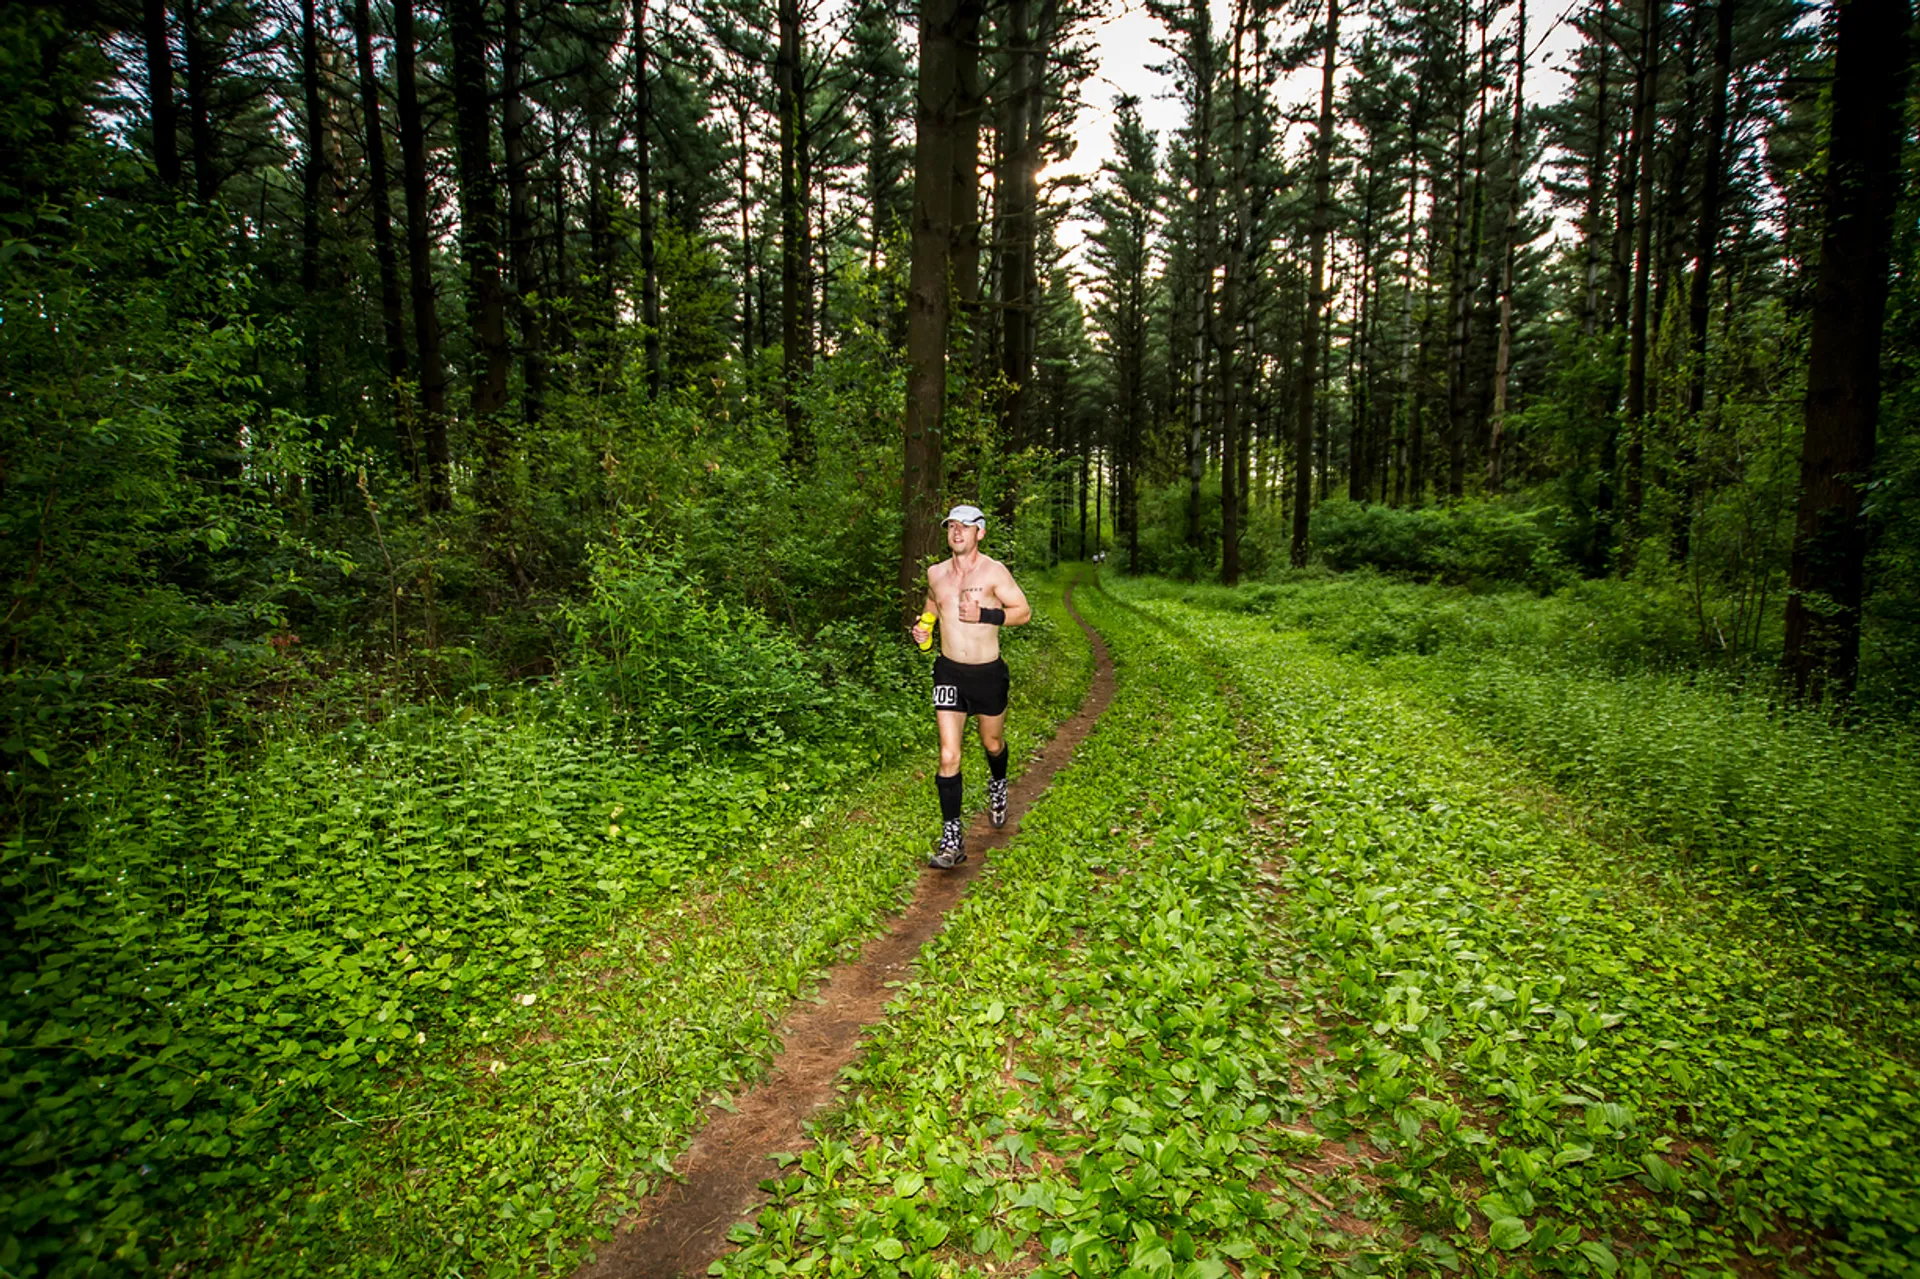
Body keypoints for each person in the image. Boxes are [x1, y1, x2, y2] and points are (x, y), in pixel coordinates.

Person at [908, 504, 1032, 868]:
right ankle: (952, 839)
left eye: (965, 526)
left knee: (992, 743)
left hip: (988, 673)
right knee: (948, 755)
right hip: (949, 672)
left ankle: (998, 785)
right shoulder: (936, 573)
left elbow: (1023, 613)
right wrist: (924, 631)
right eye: (951, 526)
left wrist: (985, 615)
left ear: (981, 532)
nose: (957, 532)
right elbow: (932, 605)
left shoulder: (995, 572)